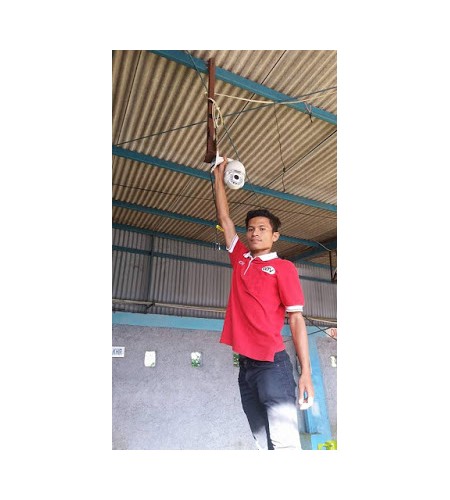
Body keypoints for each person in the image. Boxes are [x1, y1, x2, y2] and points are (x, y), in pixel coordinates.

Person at [213, 156, 314, 450]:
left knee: (284, 445)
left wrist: (305, 373)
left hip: (273, 366)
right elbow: (225, 219)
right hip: (245, 368)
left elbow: (296, 318)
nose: (255, 232)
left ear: (274, 235)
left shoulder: (284, 268)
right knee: (262, 443)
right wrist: (217, 177)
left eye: (262, 228)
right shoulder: (240, 259)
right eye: (251, 229)